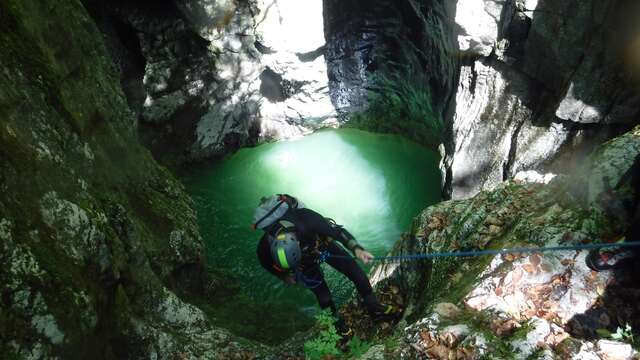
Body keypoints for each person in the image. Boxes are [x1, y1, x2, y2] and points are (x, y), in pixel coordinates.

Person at [254, 194, 394, 321]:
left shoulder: (306, 219)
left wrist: (356, 248)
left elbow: (337, 232)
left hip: (319, 244)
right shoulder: (264, 249)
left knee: (355, 272)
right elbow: (267, 265)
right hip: (304, 264)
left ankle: (375, 308)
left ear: (297, 242)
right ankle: (338, 326)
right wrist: (284, 276)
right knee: (323, 296)